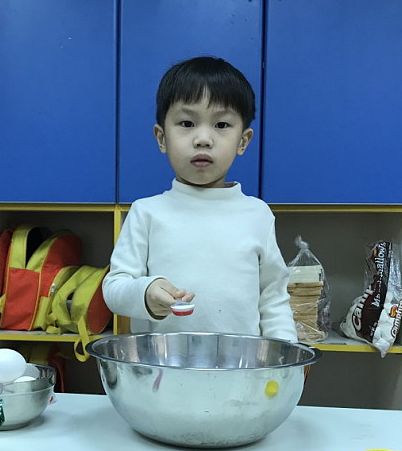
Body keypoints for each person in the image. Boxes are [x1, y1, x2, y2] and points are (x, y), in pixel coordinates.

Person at [103, 56, 297, 342]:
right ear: (161, 138)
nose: (203, 138)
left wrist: (285, 353)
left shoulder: (258, 214)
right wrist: (146, 292)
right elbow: (115, 288)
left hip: (241, 365)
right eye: (187, 123)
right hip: (162, 365)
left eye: (221, 124)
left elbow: (273, 298)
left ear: (243, 141)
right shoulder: (146, 212)